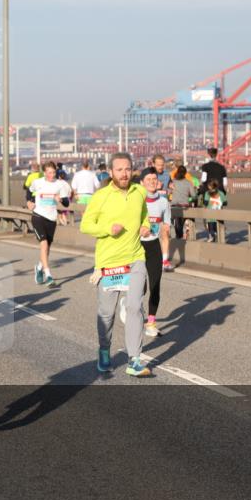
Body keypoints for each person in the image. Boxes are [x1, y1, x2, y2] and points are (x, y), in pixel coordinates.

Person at [79, 152, 152, 377]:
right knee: (106, 313)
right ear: (110, 172)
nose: (124, 174)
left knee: (134, 307)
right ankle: (104, 350)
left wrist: (146, 226)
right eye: (119, 170)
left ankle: (134, 359)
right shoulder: (101, 196)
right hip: (108, 263)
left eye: (128, 169)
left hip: (135, 258)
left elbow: (144, 215)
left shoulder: (139, 192)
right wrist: (107, 229)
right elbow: (85, 225)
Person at [26, 161, 72, 287]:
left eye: (53, 172)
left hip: (51, 219)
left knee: (47, 249)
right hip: (38, 216)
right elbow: (29, 192)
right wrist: (29, 202)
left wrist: (60, 199)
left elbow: (67, 203)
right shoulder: (37, 182)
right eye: (49, 173)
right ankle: (49, 276)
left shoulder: (60, 184)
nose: (52, 175)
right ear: (44, 172)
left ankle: (39, 268)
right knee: (44, 244)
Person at [140, 168, 171, 336]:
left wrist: (166, 227)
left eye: (154, 179)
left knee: (155, 284)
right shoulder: (136, 200)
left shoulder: (163, 202)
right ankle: (131, 306)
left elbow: (166, 226)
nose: (152, 181)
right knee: (141, 287)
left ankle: (151, 323)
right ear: (141, 183)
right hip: (136, 246)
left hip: (153, 246)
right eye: (148, 179)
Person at [170, 165, 197, 240]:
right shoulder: (188, 183)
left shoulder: (173, 181)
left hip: (174, 205)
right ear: (185, 173)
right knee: (183, 222)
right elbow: (194, 195)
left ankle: (179, 236)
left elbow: (169, 191)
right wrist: (189, 195)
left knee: (177, 224)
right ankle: (184, 234)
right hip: (184, 206)